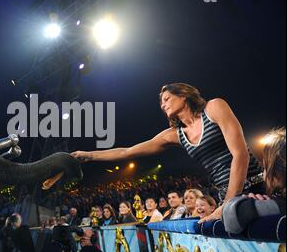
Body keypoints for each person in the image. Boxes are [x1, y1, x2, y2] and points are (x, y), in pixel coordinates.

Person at [72, 83, 263, 222]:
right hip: (226, 196)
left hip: (255, 186)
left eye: (166, 99)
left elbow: (241, 154)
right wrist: (88, 155)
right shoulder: (175, 135)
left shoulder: (214, 108)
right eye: (161, 104)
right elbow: (127, 152)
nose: (163, 105)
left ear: (184, 94)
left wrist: (227, 205)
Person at [222, 128, 286, 234]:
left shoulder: (279, 205)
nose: (263, 176)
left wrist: (247, 202)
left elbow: (231, 220)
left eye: (265, 168)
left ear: (278, 172)